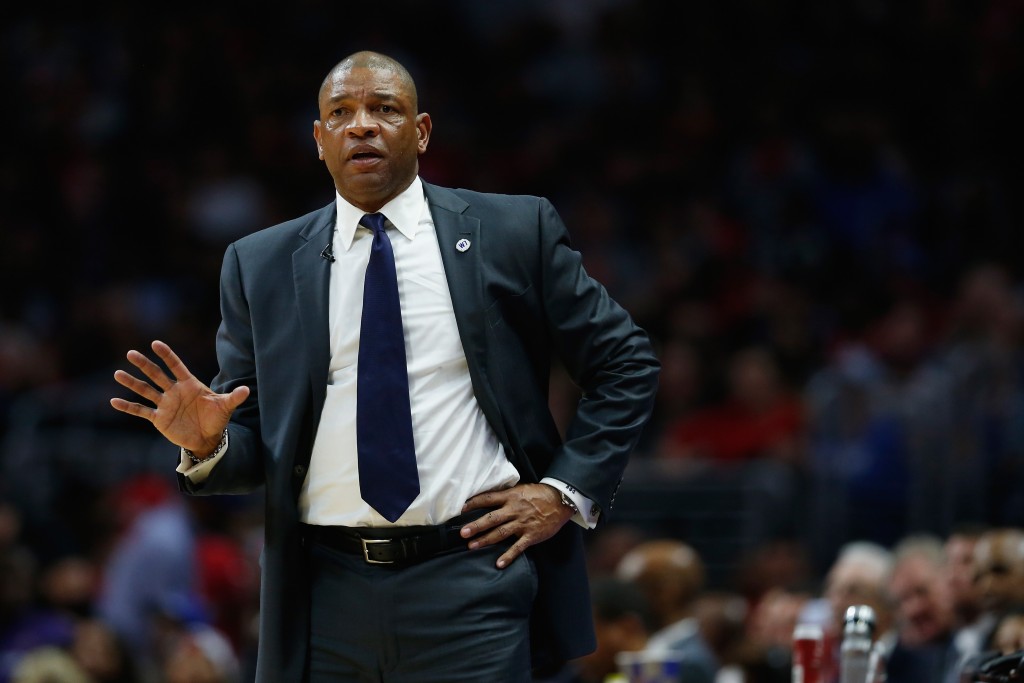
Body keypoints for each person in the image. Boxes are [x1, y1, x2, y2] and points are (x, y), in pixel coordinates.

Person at [110, 50, 660, 682]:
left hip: (473, 575)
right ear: (319, 140)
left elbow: (626, 361)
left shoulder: (511, 231)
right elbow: (253, 441)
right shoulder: (258, 264)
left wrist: (564, 491)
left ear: (421, 132)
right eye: (340, 113)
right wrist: (208, 445)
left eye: (384, 109)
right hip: (325, 590)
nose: (362, 125)